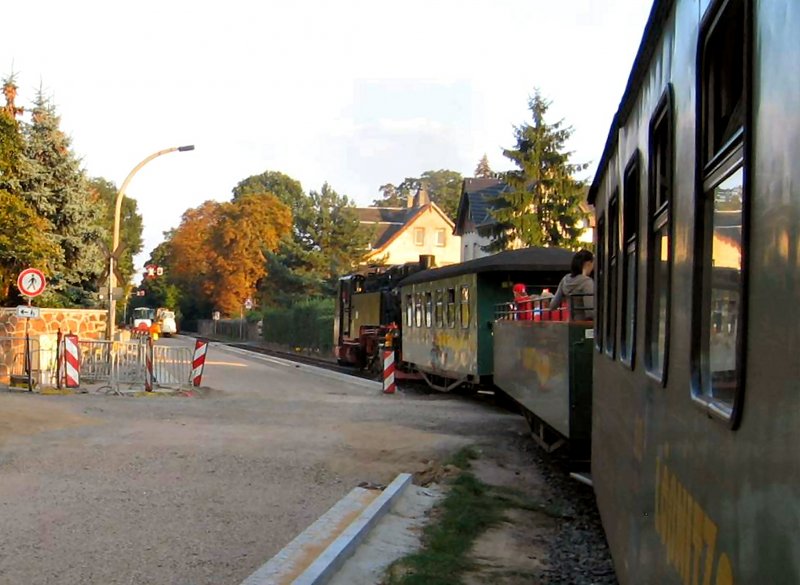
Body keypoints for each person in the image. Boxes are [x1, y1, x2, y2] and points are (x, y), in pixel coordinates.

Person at [550, 249, 594, 321]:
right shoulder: (587, 282)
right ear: (588, 263)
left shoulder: (565, 280)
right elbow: (590, 312)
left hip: (570, 322)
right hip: (584, 325)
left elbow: (553, 306)